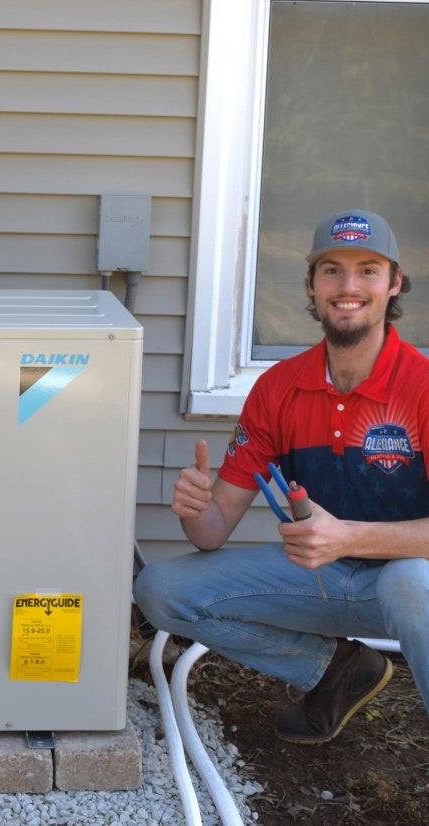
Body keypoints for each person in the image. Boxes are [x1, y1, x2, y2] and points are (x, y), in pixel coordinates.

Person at [133, 209, 429, 744]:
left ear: (394, 284)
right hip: (324, 578)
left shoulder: (423, 386)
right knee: (162, 588)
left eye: (368, 270)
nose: (349, 286)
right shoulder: (278, 388)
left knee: (412, 582)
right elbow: (213, 531)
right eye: (332, 270)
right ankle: (336, 669)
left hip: (411, 583)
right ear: (313, 285)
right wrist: (197, 508)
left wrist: (350, 537)